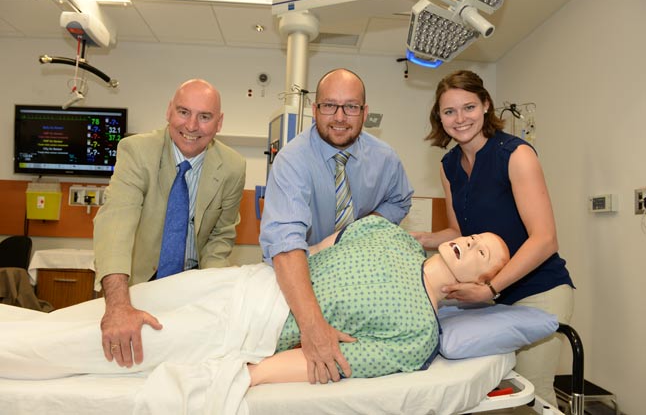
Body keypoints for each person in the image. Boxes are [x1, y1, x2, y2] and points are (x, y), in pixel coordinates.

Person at [0, 216, 509, 388]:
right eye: (478, 234)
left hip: (247, 331)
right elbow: (314, 251)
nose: (473, 239)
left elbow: (328, 359)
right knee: (107, 312)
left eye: (484, 250)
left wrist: (249, 376)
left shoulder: (418, 335)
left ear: (482, 282)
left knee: (106, 345)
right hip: (241, 281)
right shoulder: (387, 233)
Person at [410, 70, 574, 405]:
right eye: (449, 112)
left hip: (537, 290)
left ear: (486, 105)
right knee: (485, 395)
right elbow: (460, 233)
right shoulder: (449, 165)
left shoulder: (515, 155)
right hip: (488, 295)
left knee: (532, 394)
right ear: (439, 118)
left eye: (468, 107)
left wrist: (490, 288)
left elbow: (544, 239)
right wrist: (420, 239)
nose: (460, 119)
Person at [259, 68, 414, 385]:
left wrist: (358, 235)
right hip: (299, 276)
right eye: (329, 106)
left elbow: (399, 201)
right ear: (315, 109)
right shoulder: (292, 161)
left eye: (351, 107)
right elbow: (286, 246)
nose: (340, 117)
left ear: (365, 113)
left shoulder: (385, 159)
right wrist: (312, 327)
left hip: (355, 280)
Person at [93, 78, 246, 369]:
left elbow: (220, 237)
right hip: (135, 287)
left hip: (191, 291)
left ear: (219, 123)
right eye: (183, 112)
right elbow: (116, 223)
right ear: (168, 111)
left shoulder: (233, 167)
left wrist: (213, 295)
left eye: (205, 117)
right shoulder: (137, 152)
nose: (191, 126)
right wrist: (118, 306)